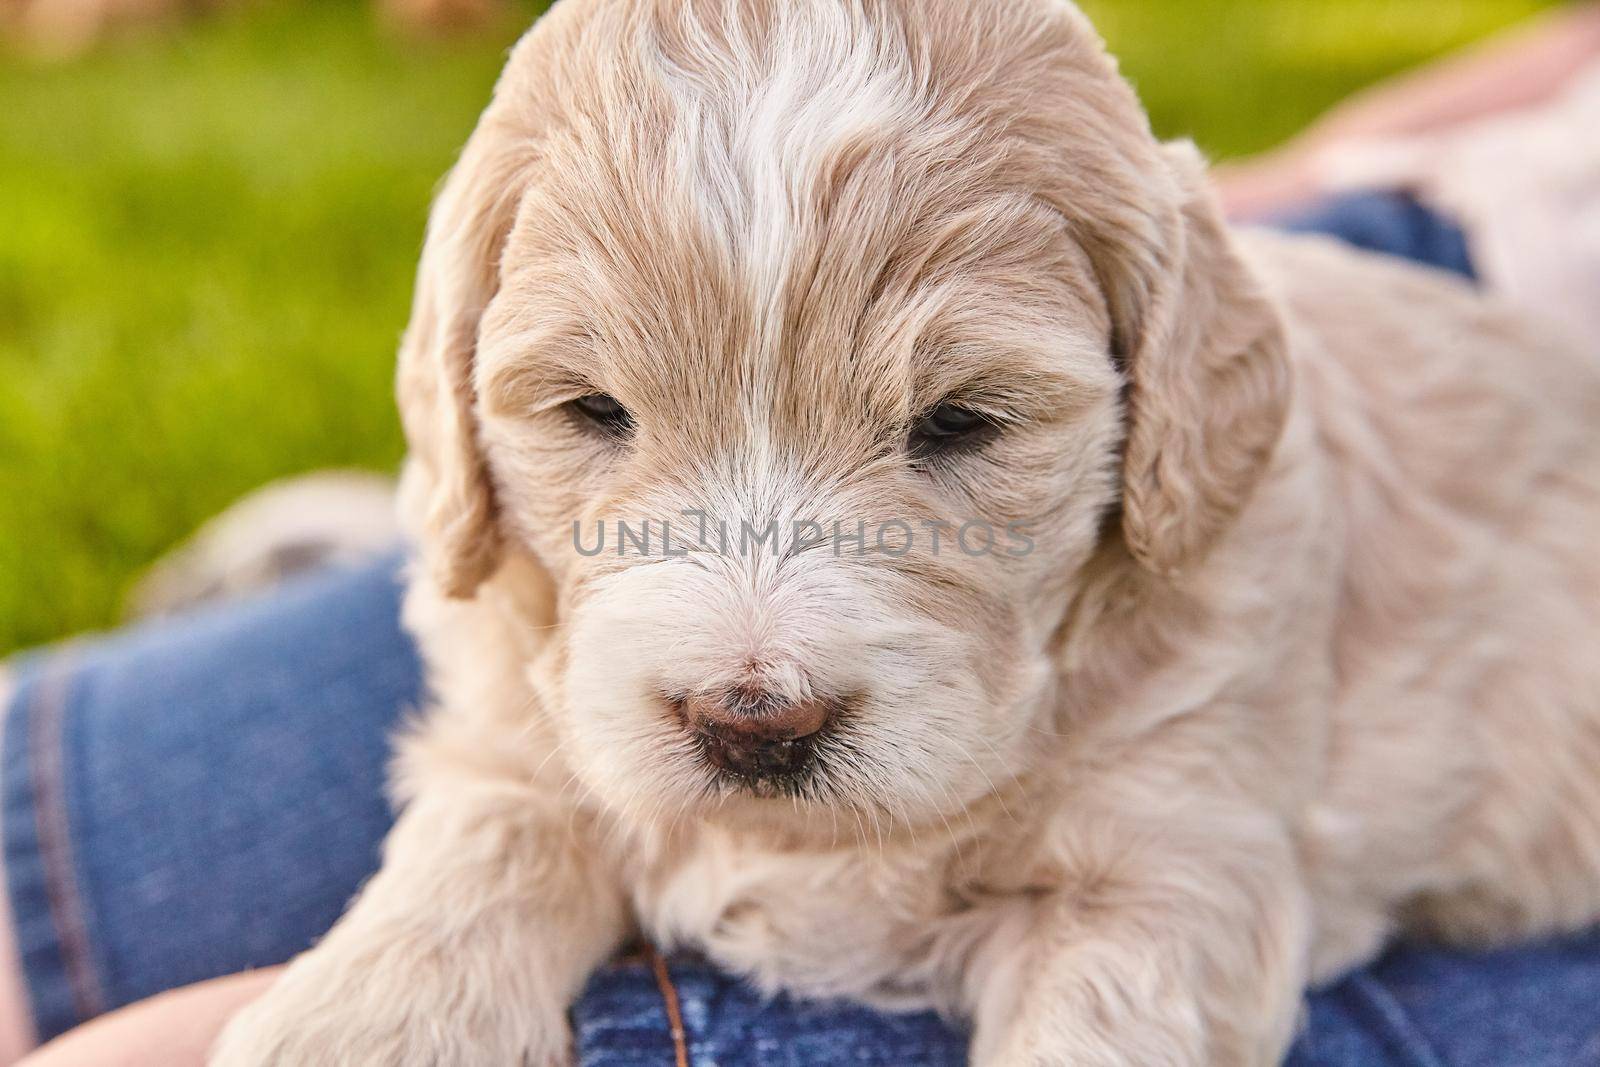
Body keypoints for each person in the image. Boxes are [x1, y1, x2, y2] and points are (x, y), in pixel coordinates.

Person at [4, 6, 1599, 1064]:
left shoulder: (1218, 507)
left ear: (1166, 400)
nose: (750, 668)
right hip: (1425, 197)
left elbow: (1165, 922)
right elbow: (506, 773)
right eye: (596, 413)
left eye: (960, 425)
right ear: (457, 363)